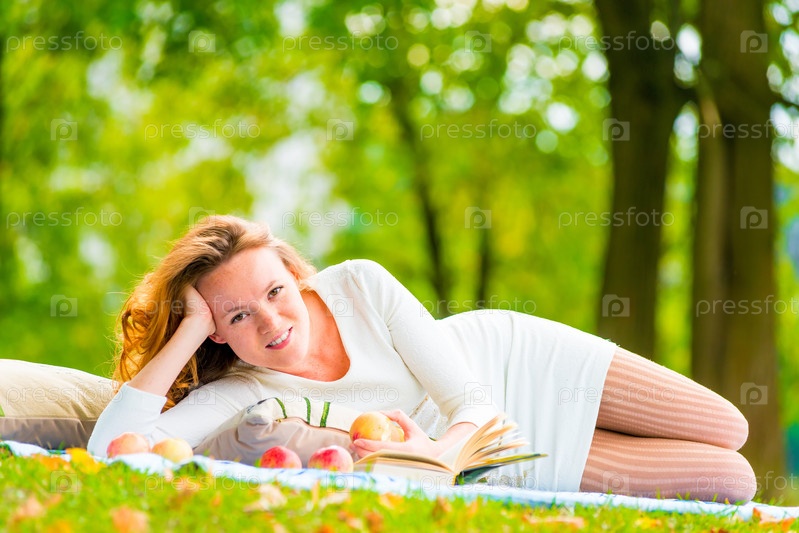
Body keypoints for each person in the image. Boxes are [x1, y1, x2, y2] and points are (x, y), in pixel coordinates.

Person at [87, 215, 757, 502]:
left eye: (274, 291)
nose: (270, 321)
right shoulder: (243, 391)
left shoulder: (358, 283)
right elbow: (109, 451)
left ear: (294, 273)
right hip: (500, 455)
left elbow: (475, 403)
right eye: (236, 315)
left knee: (730, 425)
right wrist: (187, 329)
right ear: (217, 333)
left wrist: (434, 455)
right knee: (734, 480)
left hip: (513, 367)